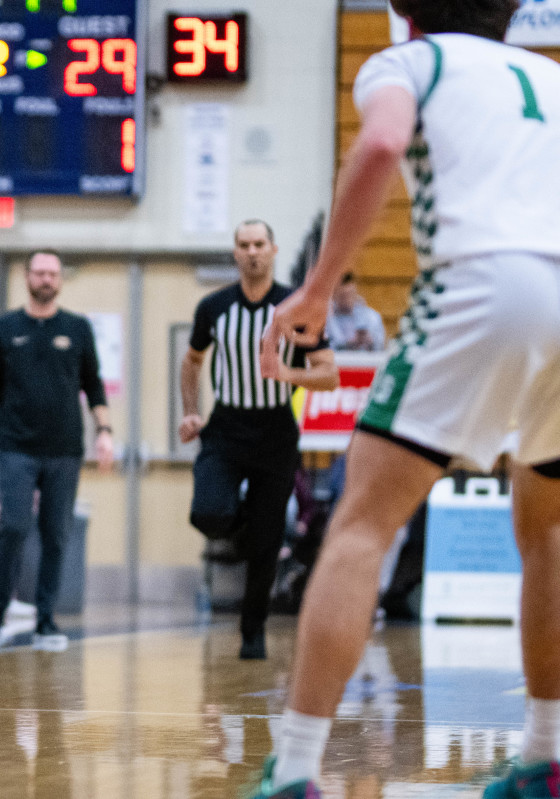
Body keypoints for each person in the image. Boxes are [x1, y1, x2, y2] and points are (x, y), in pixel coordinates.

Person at [252, 2, 560, 796]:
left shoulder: (408, 63)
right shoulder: (550, 78)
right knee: (547, 531)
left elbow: (383, 142)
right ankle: (544, 754)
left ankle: (294, 769)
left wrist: (317, 291)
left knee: (362, 523)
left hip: (481, 279)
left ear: (401, 10)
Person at [179, 220, 339, 661]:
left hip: (275, 429)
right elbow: (191, 363)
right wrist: (191, 410)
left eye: (259, 244)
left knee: (267, 543)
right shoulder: (213, 307)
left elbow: (330, 373)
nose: (251, 251)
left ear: (273, 249)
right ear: (235, 253)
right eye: (243, 244)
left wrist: (287, 374)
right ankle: (242, 522)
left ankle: (253, 631)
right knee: (209, 513)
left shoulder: (297, 306)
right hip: (226, 425)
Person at [0, 250, 114, 648]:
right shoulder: (4, 328)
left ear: (60, 279)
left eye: (53, 273)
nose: (46, 278)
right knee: (13, 526)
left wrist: (104, 430)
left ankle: (46, 620)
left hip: (65, 448)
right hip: (16, 445)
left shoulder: (78, 328)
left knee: (56, 533)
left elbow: (94, 384)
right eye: (40, 272)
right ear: (28, 277)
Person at [323, 272, 386, 352]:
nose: (347, 300)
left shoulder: (372, 317)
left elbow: (381, 348)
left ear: (355, 293)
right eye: (343, 296)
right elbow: (324, 348)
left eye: (350, 295)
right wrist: (348, 344)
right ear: (334, 295)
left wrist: (371, 342)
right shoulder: (326, 318)